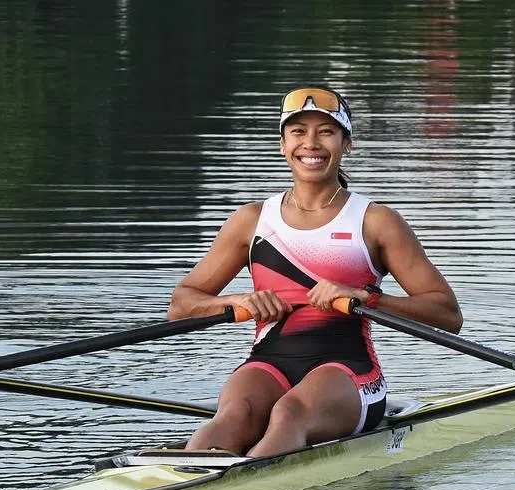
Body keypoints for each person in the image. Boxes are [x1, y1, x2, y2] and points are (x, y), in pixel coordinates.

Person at [167, 86, 462, 457]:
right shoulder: (251, 220)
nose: (311, 143)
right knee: (233, 415)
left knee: (289, 414)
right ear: (282, 145)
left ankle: (246, 480)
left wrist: (368, 298)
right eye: (298, 132)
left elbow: (447, 314)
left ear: (346, 144)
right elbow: (180, 305)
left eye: (326, 132)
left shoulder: (376, 221)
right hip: (268, 363)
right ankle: (183, 478)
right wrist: (236, 301)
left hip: (350, 373)